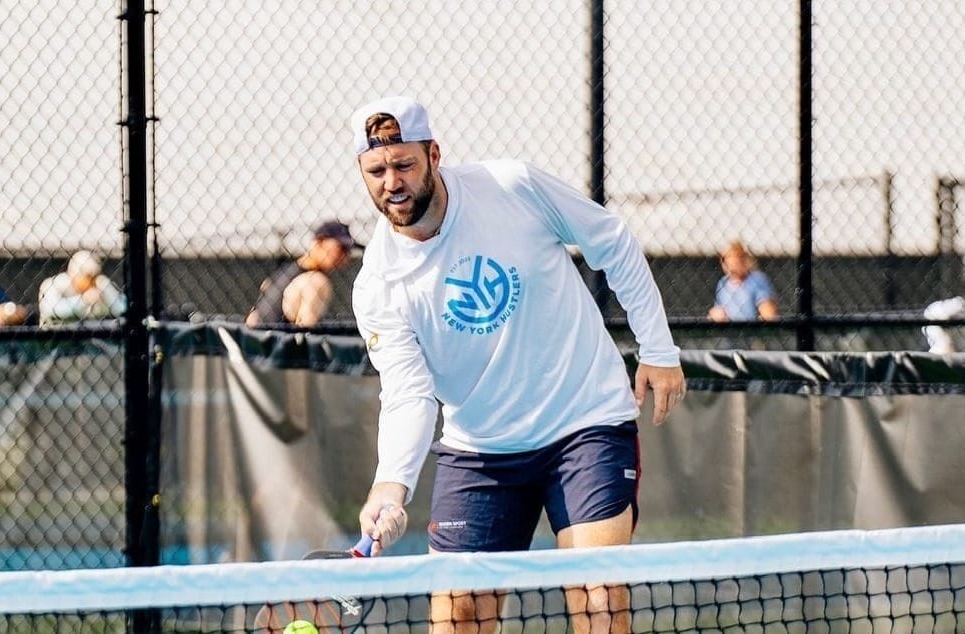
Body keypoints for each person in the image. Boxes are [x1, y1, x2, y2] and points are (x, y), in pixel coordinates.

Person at [348, 96, 685, 633]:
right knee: (458, 616)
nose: (392, 182)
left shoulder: (511, 186)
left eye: (404, 164)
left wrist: (659, 351)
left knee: (598, 602)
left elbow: (610, 239)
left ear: (434, 155)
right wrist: (390, 486)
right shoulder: (377, 285)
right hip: (479, 450)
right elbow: (410, 393)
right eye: (377, 170)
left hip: (584, 423)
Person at [245, 221, 357, 327]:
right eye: (341, 249)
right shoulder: (316, 281)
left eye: (348, 251)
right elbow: (305, 332)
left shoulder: (283, 273)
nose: (345, 257)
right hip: (283, 345)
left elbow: (252, 318)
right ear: (319, 242)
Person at [38, 250, 127, 326]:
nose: (93, 281)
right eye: (88, 276)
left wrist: (106, 294)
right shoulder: (54, 284)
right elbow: (51, 310)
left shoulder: (100, 283)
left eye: (95, 275)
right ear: (74, 274)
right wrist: (83, 301)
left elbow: (121, 308)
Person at [708, 240, 779, 322]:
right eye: (724, 259)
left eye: (735, 258)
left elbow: (769, 315)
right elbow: (718, 312)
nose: (730, 264)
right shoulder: (723, 283)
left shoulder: (757, 280)